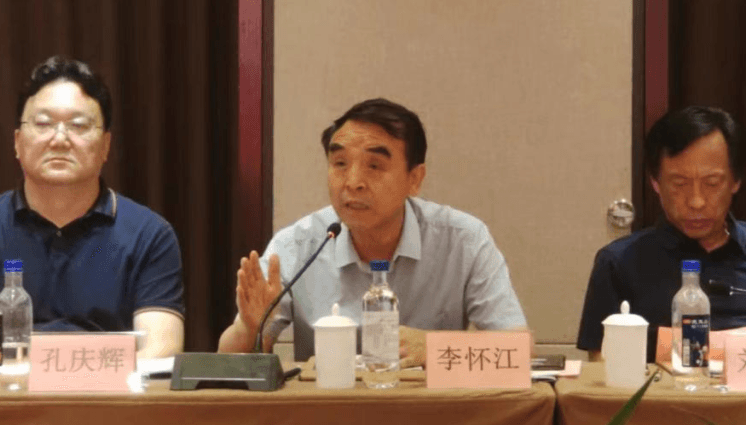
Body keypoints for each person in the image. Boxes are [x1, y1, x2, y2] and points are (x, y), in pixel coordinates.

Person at [217, 98, 527, 364]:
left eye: (374, 166)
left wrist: (433, 348)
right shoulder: (297, 246)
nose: (353, 182)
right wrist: (250, 329)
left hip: (431, 412)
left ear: (415, 179)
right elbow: (230, 361)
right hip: (327, 412)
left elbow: (518, 349)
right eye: (340, 163)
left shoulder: (462, 240)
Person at [0, 56, 184, 360]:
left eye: (79, 125)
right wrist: (11, 389)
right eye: (43, 124)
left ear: (106, 145)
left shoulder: (150, 234)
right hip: (6, 387)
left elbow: (162, 348)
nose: (59, 139)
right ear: (17, 142)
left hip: (112, 389)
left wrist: (93, 384)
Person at [577, 106, 746, 362]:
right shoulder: (618, 263)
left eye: (712, 183)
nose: (696, 201)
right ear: (655, 182)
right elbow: (602, 369)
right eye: (679, 184)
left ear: (736, 181)